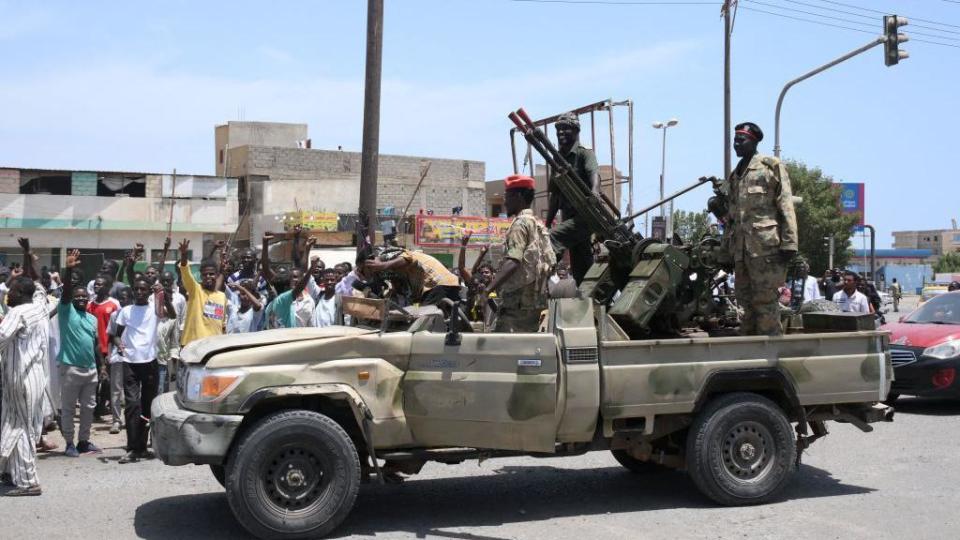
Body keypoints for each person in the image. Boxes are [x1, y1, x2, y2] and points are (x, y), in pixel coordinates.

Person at [719, 122, 798, 336]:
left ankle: (770, 355)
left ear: (753, 142)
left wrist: (790, 242)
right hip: (742, 252)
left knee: (765, 304)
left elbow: (786, 204)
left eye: (741, 140)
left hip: (766, 249)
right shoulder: (735, 175)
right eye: (734, 140)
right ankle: (750, 354)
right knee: (744, 306)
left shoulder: (770, 166)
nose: (736, 144)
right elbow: (732, 218)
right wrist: (726, 251)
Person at [112, 278, 174, 464]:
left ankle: (141, 447)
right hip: (130, 362)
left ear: (149, 292)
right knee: (132, 405)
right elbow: (115, 334)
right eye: (136, 289)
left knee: (147, 406)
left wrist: (164, 296)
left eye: (143, 289)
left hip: (150, 363)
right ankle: (132, 448)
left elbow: (172, 315)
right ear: (132, 291)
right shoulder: (126, 311)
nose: (139, 292)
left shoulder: (155, 310)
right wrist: (119, 344)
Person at [484, 174, 555, 332]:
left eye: (507, 196)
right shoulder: (537, 223)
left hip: (516, 302)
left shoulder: (520, 224)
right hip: (533, 301)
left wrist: (488, 289)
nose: (505, 201)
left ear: (518, 196)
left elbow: (513, 261)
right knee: (524, 347)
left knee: (502, 349)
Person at [0, 273, 49, 496]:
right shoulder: (39, 306)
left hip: (20, 378)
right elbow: (39, 288)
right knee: (16, 423)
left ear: (20, 294)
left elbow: (1, 336)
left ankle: (28, 482)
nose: (8, 292)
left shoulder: (18, 313)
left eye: (12, 289)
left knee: (19, 427)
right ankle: (13, 472)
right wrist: (29, 257)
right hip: (35, 378)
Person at [56, 250, 103, 457]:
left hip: (90, 370)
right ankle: (69, 443)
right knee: (68, 409)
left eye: (84, 296)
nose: (82, 298)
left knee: (88, 408)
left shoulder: (92, 318)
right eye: (78, 296)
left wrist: (102, 368)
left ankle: (83, 441)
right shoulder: (66, 310)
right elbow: (66, 292)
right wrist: (69, 270)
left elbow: (94, 345)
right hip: (70, 368)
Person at [545, 113, 599, 285]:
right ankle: (587, 297)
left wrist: (594, 192)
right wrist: (546, 224)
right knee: (581, 266)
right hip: (570, 217)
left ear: (576, 130)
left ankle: (541, 277)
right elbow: (555, 195)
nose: (561, 133)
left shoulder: (585, 153)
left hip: (585, 216)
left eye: (565, 129)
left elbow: (594, 174)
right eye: (558, 130)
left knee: (551, 240)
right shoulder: (557, 158)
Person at [361, 248, 461, 307]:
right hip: (448, 284)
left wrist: (383, 265)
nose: (361, 274)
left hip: (438, 283)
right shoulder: (389, 274)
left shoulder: (384, 257)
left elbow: (408, 257)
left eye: (361, 270)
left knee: (424, 320)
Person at [177, 239, 228, 347]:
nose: (208, 277)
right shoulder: (195, 290)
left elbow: (221, 324)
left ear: (216, 275)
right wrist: (184, 254)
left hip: (213, 347)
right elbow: (186, 272)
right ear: (201, 276)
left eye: (211, 274)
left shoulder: (222, 296)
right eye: (205, 275)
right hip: (192, 346)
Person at [262, 233, 316, 329]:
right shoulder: (282, 300)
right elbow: (301, 285)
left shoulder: (275, 303)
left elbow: (266, 269)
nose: (271, 289)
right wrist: (312, 268)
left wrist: (265, 244)